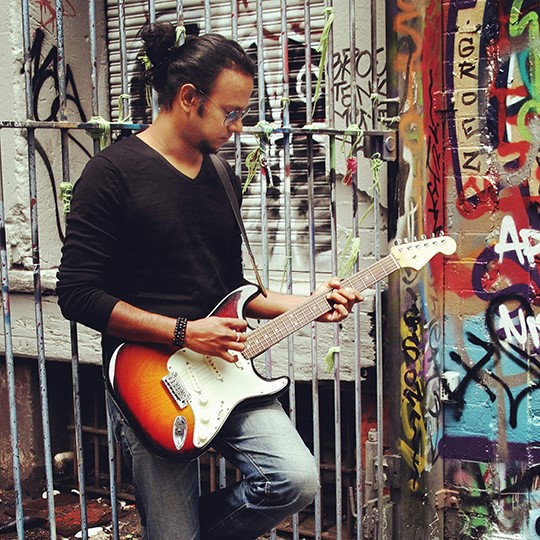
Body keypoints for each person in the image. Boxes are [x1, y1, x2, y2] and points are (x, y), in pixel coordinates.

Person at [57, 22, 362, 540]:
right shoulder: (110, 174)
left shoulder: (221, 175)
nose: (238, 127)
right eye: (231, 113)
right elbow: (77, 294)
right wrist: (184, 332)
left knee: (294, 480)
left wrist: (309, 303)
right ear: (188, 98)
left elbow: (232, 288)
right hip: (150, 382)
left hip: (225, 370)